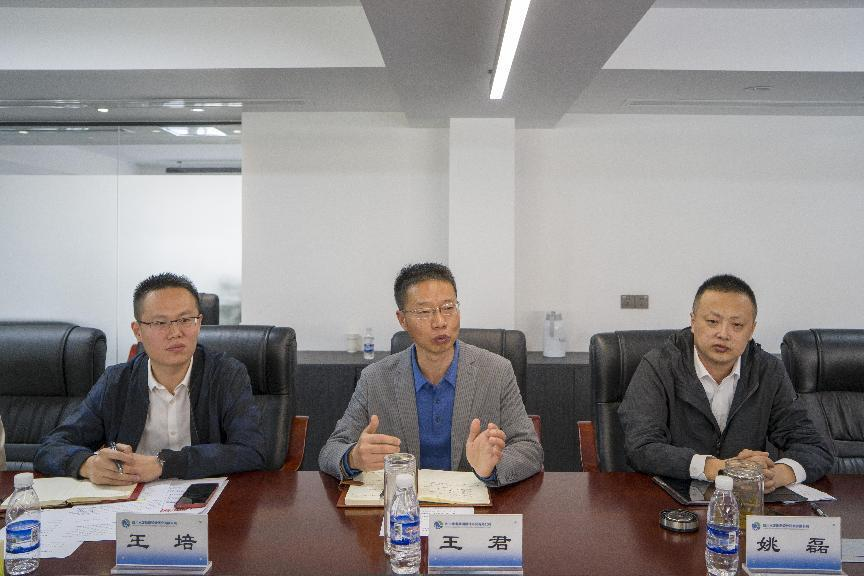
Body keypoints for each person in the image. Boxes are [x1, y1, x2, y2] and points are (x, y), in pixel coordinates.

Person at [319, 263, 542, 486]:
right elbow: (331, 450)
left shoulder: (496, 371)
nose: (440, 322)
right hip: (404, 502)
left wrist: (490, 469)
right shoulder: (375, 379)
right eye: (424, 312)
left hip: (471, 502)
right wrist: (353, 458)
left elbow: (529, 449)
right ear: (402, 319)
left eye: (448, 307)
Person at [35, 273, 265, 485]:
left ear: (199, 322)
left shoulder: (226, 374)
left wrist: (163, 464)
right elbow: (51, 448)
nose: (175, 332)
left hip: (207, 500)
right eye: (160, 323)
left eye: (186, 319)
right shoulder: (116, 382)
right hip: (130, 502)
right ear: (138, 331)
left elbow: (252, 451)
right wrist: (87, 464)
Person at [619, 274, 832, 491]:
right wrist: (719, 468)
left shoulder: (768, 370)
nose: (723, 334)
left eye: (737, 325)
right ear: (693, 322)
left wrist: (775, 475)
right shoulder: (659, 365)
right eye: (712, 322)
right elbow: (641, 447)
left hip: (745, 501)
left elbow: (814, 447)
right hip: (670, 497)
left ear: (751, 330)